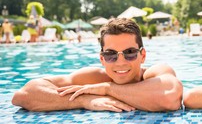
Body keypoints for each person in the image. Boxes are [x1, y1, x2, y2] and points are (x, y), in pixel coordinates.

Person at [12, 18, 183, 112]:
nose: (120, 62)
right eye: (111, 55)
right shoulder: (94, 77)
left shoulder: (155, 73)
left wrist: (108, 89)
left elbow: (170, 97)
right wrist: (85, 100)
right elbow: (24, 95)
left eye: (130, 52)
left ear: (142, 55)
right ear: (102, 59)